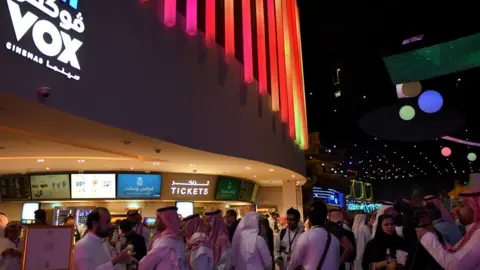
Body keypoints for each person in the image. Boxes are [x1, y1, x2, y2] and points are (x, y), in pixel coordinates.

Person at [416, 186, 480, 269]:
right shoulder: (473, 230)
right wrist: (433, 233)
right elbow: (455, 252)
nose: (455, 210)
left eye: (461, 205)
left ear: (476, 207)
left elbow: (456, 266)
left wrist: (426, 237)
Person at [287, 201, 340, 269]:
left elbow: (295, 262)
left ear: (309, 220)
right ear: (325, 218)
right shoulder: (334, 240)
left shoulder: (306, 236)